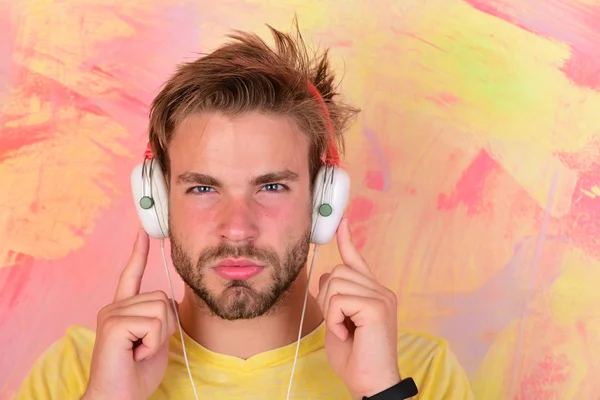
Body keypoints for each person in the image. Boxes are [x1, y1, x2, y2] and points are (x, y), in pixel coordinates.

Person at [15, 22, 473, 400]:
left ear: (322, 201)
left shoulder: (415, 372)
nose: (237, 228)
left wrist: (382, 392)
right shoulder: (78, 370)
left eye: (271, 186)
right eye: (202, 188)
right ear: (156, 202)